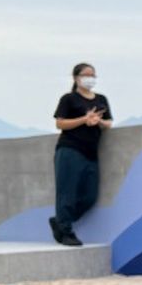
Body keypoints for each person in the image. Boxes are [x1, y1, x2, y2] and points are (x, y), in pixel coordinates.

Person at [50, 62, 112, 246]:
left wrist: (98, 121)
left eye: (93, 75)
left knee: (90, 196)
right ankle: (66, 231)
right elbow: (60, 123)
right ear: (76, 78)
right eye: (86, 74)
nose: (90, 78)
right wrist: (84, 119)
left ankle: (60, 222)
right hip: (70, 149)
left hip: (91, 152)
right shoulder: (69, 99)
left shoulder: (101, 99)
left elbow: (109, 123)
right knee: (67, 193)